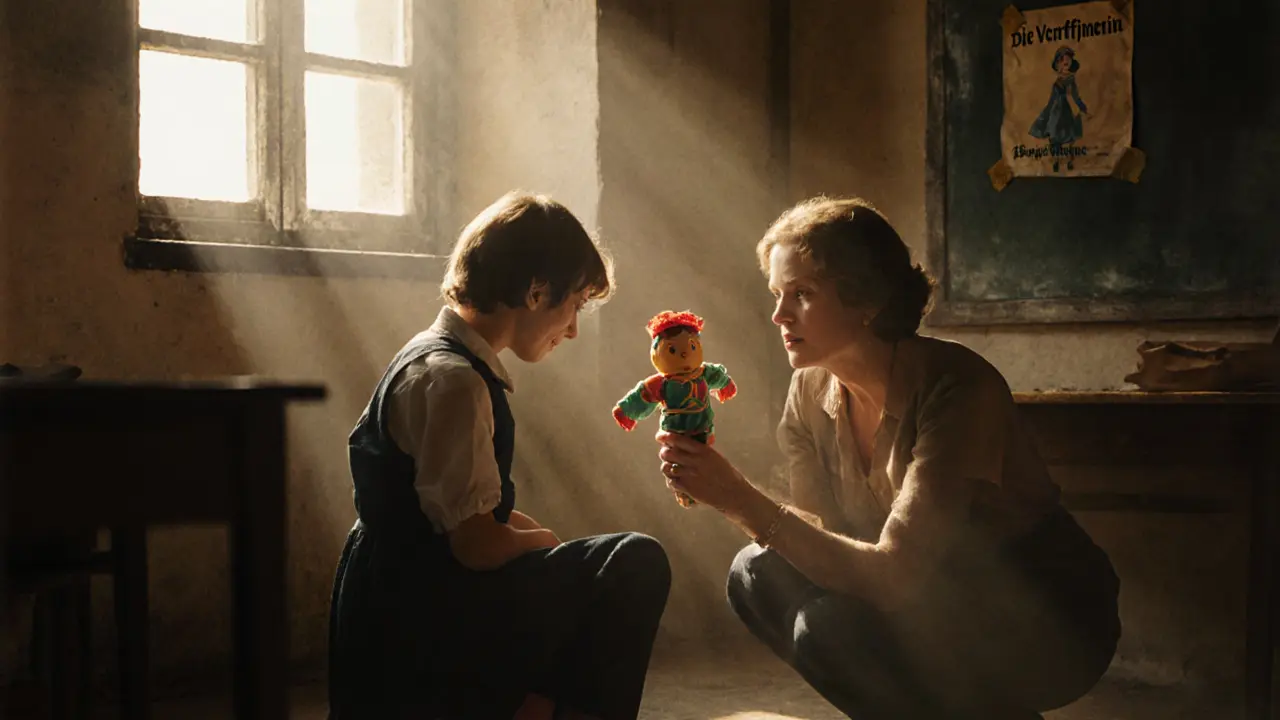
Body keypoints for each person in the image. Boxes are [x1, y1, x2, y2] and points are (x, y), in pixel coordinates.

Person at [655, 196, 1121, 719]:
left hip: (1042, 613)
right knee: (757, 573)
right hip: (928, 598)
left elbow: (896, 575)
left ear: (867, 299)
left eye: (802, 293)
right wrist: (715, 483)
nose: (779, 315)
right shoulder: (809, 388)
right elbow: (816, 533)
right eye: (777, 294)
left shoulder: (956, 387)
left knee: (825, 624)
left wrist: (737, 497)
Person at [329, 191, 672, 720]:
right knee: (633, 561)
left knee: (579, 571)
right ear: (536, 292)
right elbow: (476, 545)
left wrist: (538, 547)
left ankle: (533, 707)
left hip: (399, 596)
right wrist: (545, 545)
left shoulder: (433, 358)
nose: (574, 328)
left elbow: (464, 512)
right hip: (419, 621)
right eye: (575, 304)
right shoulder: (455, 382)